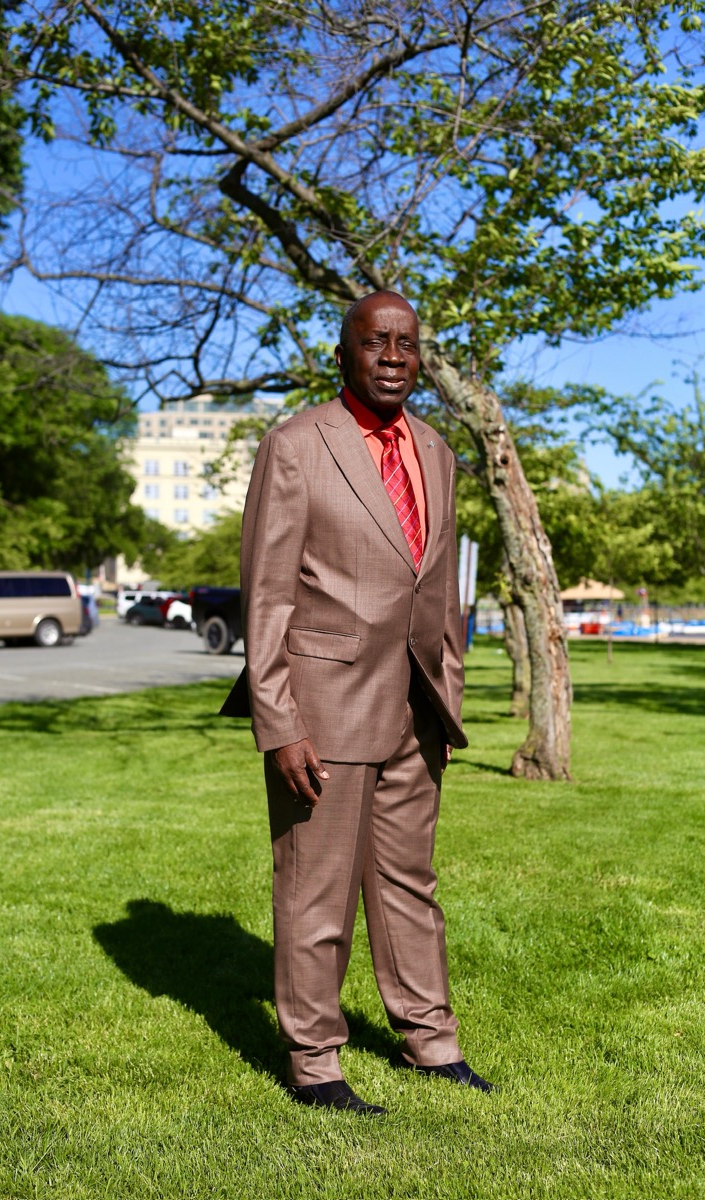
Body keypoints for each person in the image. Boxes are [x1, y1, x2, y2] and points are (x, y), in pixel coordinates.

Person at [223, 290, 493, 1116]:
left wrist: (444, 701)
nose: (392, 356)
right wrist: (279, 723)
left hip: (416, 712)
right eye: (375, 342)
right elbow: (265, 597)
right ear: (342, 354)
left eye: (407, 343)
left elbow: (439, 591)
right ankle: (315, 1061)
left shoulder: (440, 453)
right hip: (325, 706)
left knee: (410, 885)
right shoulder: (298, 445)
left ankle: (430, 1042)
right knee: (317, 891)